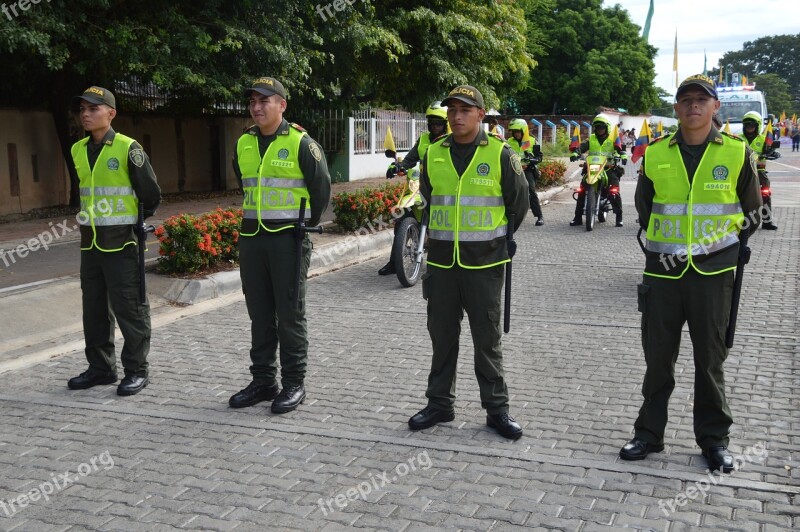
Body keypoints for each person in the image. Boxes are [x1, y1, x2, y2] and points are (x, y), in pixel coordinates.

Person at [621, 74, 762, 473]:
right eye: (686, 100)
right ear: (677, 108)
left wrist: (717, 247)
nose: (693, 106)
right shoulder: (655, 153)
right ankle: (649, 434)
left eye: (702, 99)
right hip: (663, 275)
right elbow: (645, 210)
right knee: (658, 360)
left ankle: (714, 440)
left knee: (710, 360)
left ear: (716, 107)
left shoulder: (737, 153)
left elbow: (751, 213)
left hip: (714, 275)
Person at [408, 85, 529, 440]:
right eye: (452, 110)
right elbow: (430, 197)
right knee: (442, 337)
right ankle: (439, 404)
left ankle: (497, 410)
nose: (456, 116)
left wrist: (497, 240)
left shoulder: (502, 154)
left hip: (485, 266)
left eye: (464, 110)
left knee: (486, 340)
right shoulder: (434, 154)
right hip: (443, 265)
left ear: (480, 115)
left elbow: (517, 204)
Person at [229, 77, 331, 413]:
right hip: (253, 238)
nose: (256, 107)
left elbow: (321, 191)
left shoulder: (302, 143)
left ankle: (293, 383)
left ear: (282, 105)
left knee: (289, 314)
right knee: (259, 313)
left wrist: (301, 222)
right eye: (252, 102)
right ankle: (263, 381)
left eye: (264, 101)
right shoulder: (243, 143)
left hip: (288, 239)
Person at [67, 86, 161, 396]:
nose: (86, 113)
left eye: (94, 108)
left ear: (111, 113)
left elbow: (150, 194)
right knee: (93, 309)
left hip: (122, 244)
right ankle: (101, 368)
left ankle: (136, 370)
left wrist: (132, 223)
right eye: (83, 108)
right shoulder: (78, 149)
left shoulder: (128, 148)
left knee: (130, 308)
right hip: (90, 243)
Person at [379, 102, 449, 276]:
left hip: (444, 190)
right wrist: (398, 167)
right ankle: (395, 262)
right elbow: (410, 159)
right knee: (403, 217)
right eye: (432, 123)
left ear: (446, 124)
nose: (434, 127)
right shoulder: (424, 139)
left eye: (438, 123)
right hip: (422, 187)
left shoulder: (454, 140)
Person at [569, 115, 627, 227]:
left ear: (607, 128)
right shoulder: (591, 138)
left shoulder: (613, 138)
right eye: (597, 127)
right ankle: (577, 218)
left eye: (602, 127)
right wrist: (576, 153)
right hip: (593, 168)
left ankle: (619, 217)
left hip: (608, 168)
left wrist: (623, 156)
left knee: (614, 191)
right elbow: (582, 147)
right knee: (581, 190)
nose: (599, 129)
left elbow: (620, 149)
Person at [741, 111, 778, 230]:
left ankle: (767, 221)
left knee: (765, 194)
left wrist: (772, 152)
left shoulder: (764, 139)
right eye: (747, 125)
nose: (749, 127)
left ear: (757, 125)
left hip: (759, 172)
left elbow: (772, 150)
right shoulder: (738, 139)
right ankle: (740, 221)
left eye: (752, 125)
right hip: (742, 172)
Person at [506, 118, 544, 226]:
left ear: (523, 130)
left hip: (528, 170)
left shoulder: (531, 141)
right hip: (514, 170)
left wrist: (532, 161)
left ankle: (539, 216)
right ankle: (509, 216)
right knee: (509, 191)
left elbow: (539, 157)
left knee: (531, 191)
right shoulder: (509, 142)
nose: (516, 134)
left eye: (518, 131)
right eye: (514, 131)